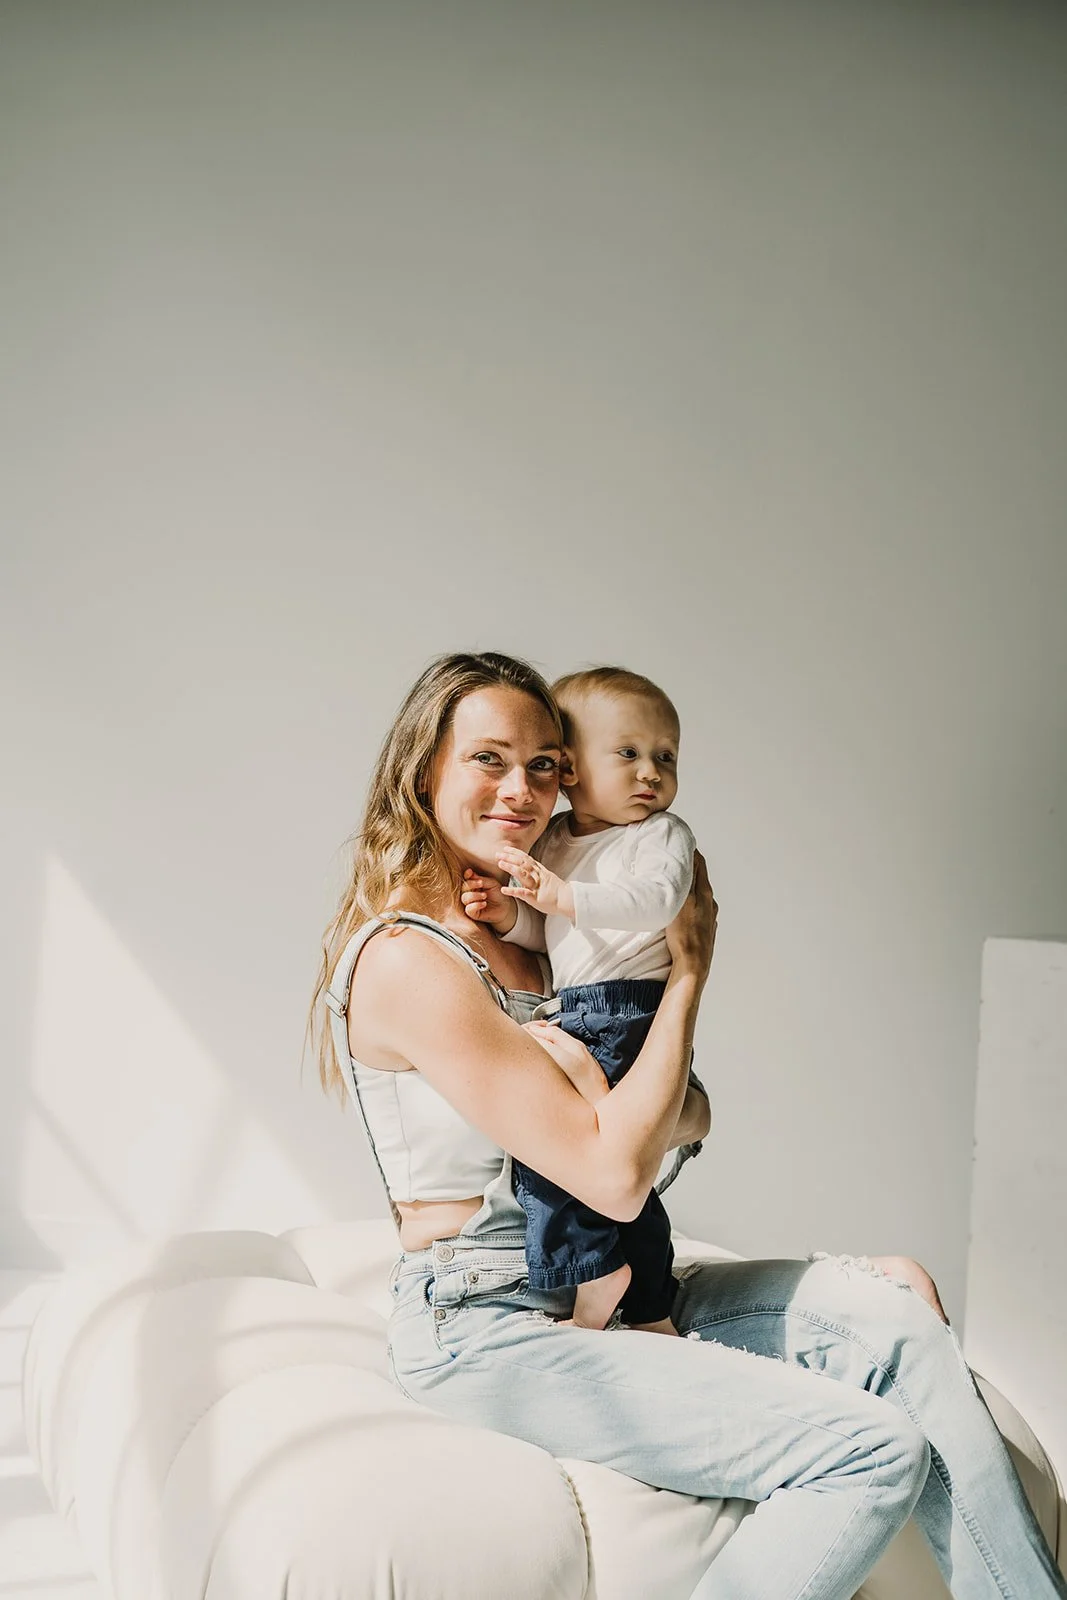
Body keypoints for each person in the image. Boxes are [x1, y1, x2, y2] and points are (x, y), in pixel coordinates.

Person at [310, 650, 1066, 1600]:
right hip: (489, 1323)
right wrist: (691, 976)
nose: (521, 789)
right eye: (488, 759)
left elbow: (686, 1112)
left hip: (604, 1284)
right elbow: (619, 1169)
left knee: (893, 1326)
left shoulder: (535, 939)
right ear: (425, 772)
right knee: (870, 1453)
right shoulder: (408, 961)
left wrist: (646, 1099)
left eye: (545, 764)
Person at [459, 665, 700, 1336]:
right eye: (628, 753)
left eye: (665, 757)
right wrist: (513, 921)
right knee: (614, 1167)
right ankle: (650, 1302)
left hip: (629, 1008)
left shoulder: (660, 836)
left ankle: (593, 1272)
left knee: (564, 1159)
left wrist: (558, 895)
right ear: (568, 769)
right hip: (584, 1002)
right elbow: (562, 929)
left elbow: (656, 902)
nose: (650, 773)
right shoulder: (559, 839)